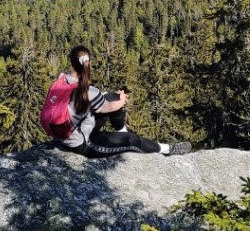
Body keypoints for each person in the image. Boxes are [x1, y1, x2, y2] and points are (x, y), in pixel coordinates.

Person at [56, 45, 191, 157]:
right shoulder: (88, 91)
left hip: (74, 128)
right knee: (131, 139)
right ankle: (168, 150)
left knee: (111, 96)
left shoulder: (61, 80)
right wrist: (122, 99)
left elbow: (92, 102)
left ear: (71, 62)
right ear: (88, 63)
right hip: (83, 142)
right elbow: (110, 107)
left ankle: (122, 131)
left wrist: (115, 98)